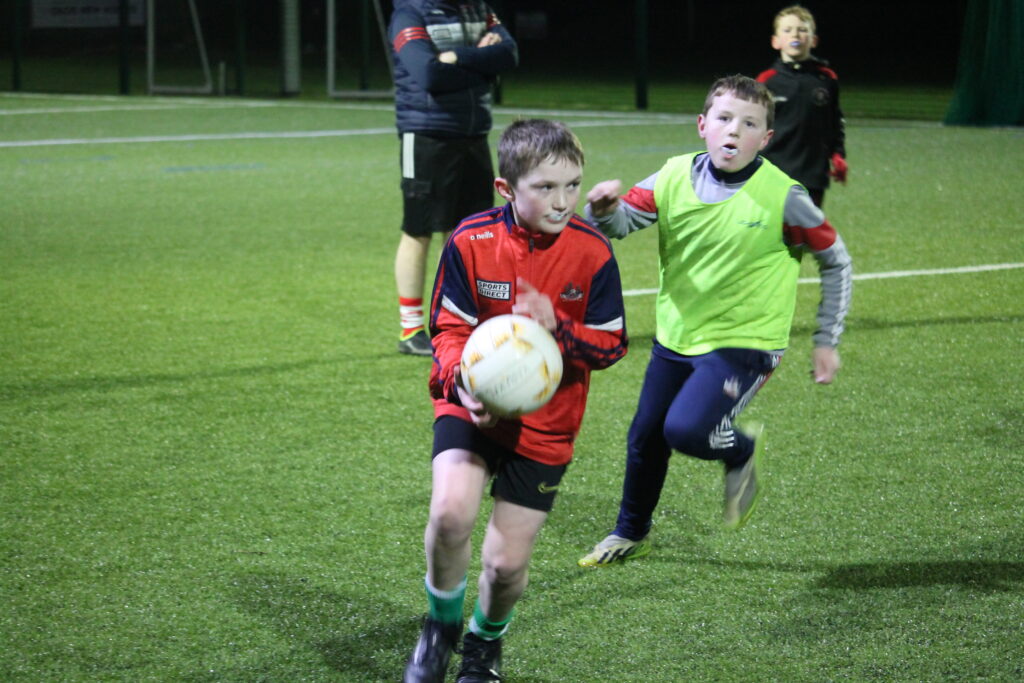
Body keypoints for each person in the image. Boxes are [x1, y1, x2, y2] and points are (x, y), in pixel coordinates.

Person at [577, 75, 852, 568]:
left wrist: (825, 338)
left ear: (765, 139)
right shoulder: (671, 176)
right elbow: (619, 224)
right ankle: (630, 531)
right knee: (645, 437)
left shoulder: (784, 196)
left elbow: (836, 260)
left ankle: (740, 450)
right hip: (678, 335)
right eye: (724, 119)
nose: (734, 131)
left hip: (747, 342)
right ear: (703, 125)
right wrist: (601, 210)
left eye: (749, 124)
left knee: (687, 430)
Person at [403, 119, 628, 682]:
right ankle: (440, 627)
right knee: (450, 514)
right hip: (470, 403)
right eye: (545, 188)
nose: (563, 201)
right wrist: (462, 383)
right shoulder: (470, 240)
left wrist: (560, 332)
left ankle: (484, 643)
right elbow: (448, 329)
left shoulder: (593, 252)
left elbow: (612, 344)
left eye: (572, 185)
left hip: (547, 425)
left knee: (505, 567)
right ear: (506, 189)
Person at [388, 0, 519, 356]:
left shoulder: (478, 8)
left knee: (468, 232)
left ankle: (456, 321)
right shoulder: (410, 13)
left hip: (474, 133)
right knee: (419, 229)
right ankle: (411, 329)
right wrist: (482, 66)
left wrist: (457, 57)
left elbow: (509, 55)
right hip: (427, 134)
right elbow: (429, 74)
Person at [756, 4, 846, 207]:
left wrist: (838, 154)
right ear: (775, 41)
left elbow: (834, 122)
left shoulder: (826, 79)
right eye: (787, 30)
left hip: (812, 173)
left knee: (807, 226)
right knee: (771, 226)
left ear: (813, 40)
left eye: (802, 30)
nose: (795, 35)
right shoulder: (766, 81)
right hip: (772, 172)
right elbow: (751, 124)